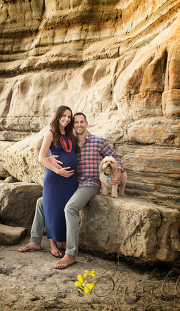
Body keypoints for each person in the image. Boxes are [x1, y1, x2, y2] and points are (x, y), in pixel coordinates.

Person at [52, 112, 124, 269]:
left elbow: (115, 158)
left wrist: (117, 175)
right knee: (42, 201)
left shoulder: (98, 141)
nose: (78, 125)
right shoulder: (70, 143)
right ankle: (35, 239)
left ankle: (70, 254)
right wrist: (49, 157)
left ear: (86, 123)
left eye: (81, 122)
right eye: (76, 122)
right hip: (71, 183)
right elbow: (55, 153)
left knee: (70, 208)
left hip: (89, 184)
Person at [18, 106, 78, 258]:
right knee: (52, 209)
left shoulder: (71, 134)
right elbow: (42, 157)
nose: (67, 119)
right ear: (58, 116)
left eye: (69, 116)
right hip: (55, 178)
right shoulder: (50, 134)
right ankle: (52, 244)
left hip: (70, 180)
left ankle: (63, 241)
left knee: (65, 209)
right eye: (64, 116)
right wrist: (58, 171)